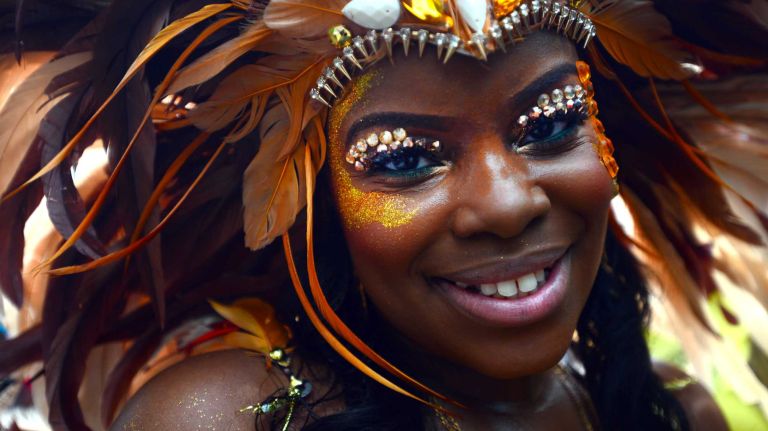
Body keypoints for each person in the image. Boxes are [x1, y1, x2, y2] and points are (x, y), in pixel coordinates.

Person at [0, 1, 765, 430]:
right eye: (403, 156)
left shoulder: (676, 415)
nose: (508, 201)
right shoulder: (231, 420)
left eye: (551, 122)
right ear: (314, 202)